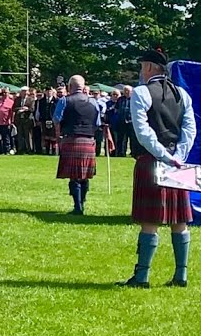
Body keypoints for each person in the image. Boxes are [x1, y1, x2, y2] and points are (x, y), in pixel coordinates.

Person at [120, 47, 195, 288]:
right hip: (177, 162)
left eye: (142, 66)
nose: (141, 71)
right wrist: (178, 156)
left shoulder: (141, 92)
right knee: (179, 220)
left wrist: (164, 156)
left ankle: (142, 276)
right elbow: (189, 130)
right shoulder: (183, 94)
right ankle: (180, 275)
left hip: (153, 160)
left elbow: (143, 132)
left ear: (151, 67)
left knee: (149, 220)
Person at [53, 75, 102, 215]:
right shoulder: (93, 102)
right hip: (88, 140)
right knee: (84, 175)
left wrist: (58, 136)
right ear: (83, 86)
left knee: (74, 176)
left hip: (71, 139)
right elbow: (98, 123)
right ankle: (82, 203)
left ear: (69, 87)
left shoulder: (64, 100)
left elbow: (56, 119)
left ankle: (77, 207)